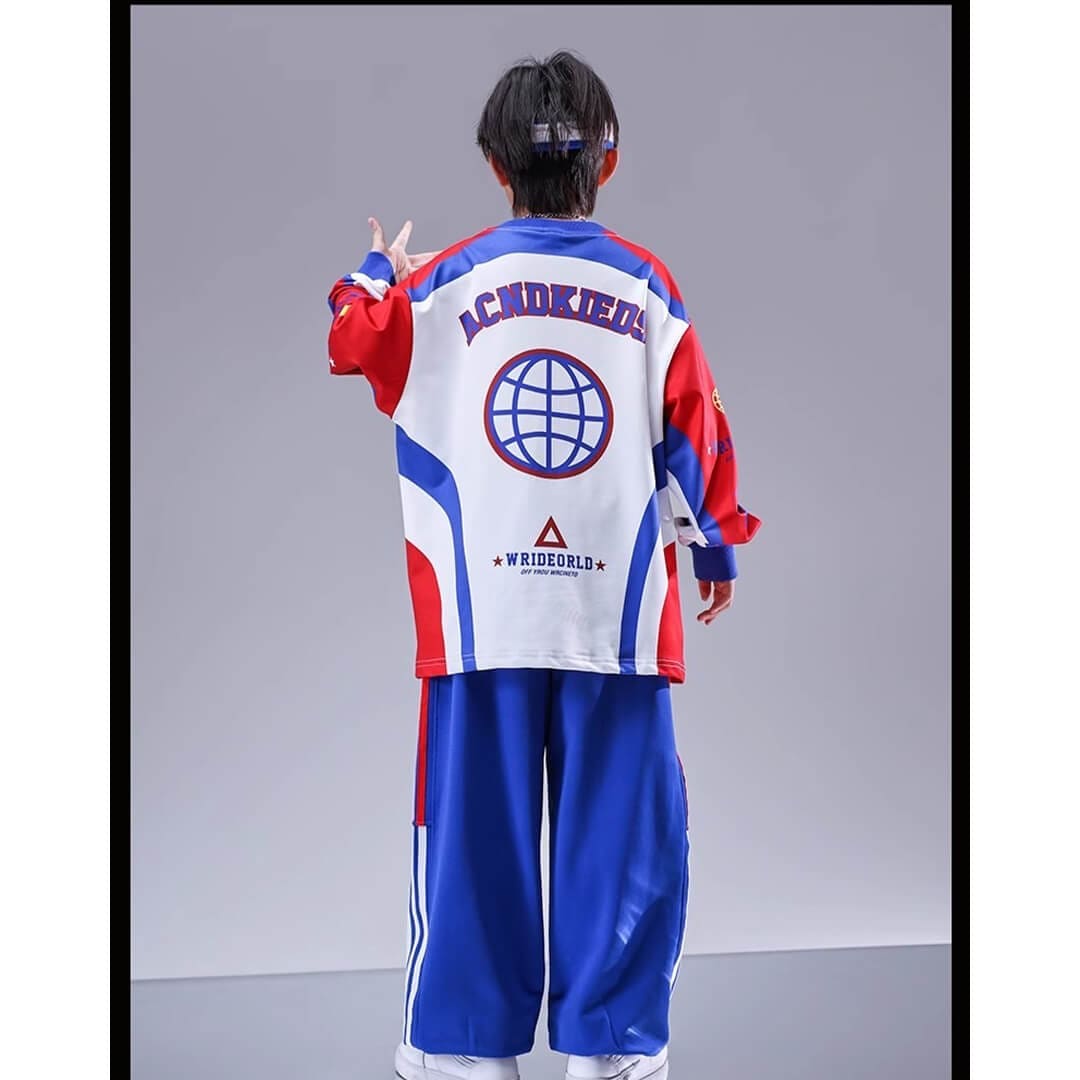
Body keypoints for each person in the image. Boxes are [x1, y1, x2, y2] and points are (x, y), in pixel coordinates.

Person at [326, 50, 760, 1080]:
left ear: (494, 164)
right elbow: (694, 426)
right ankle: (612, 1055)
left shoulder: (441, 285)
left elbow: (354, 340)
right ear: (607, 161)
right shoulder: (646, 284)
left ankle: (465, 1056)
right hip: (616, 615)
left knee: (473, 837)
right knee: (624, 839)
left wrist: (376, 271)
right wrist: (716, 543)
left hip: (478, 617)